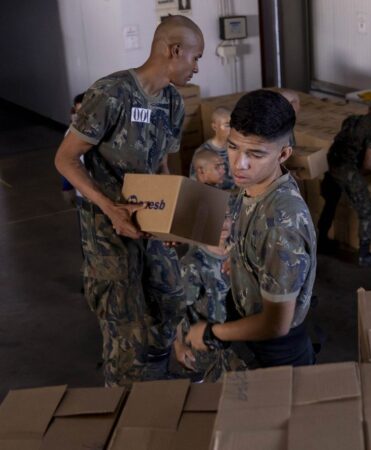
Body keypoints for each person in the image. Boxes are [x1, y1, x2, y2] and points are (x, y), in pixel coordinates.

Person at [54, 15, 204, 387]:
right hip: (107, 228)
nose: (197, 67)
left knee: (170, 299)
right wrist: (110, 208)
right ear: (174, 51)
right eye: (195, 57)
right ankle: (123, 397)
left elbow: (163, 165)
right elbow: (65, 159)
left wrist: (171, 217)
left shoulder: (172, 101)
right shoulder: (111, 93)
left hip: (149, 223)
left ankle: (157, 374)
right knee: (125, 319)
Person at [185, 90, 317, 368]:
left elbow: (276, 324)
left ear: (283, 154)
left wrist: (210, 333)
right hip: (247, 334)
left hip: (274, 354)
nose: (239, 164)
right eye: (233, 147)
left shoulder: (282, 222)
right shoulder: (254, 186)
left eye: (255, 154)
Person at [173, 154, 243, 382]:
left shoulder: (238, 254)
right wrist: (178, 345)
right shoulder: (193, 266)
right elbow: (178, 311)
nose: (223, 224)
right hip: (206, 350)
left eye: (227, 218)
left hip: (237, 344)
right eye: (217, 219)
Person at [316, 99, 371, 266]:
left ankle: (321, 241)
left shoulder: (352, 120)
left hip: (331, 166)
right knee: (366, 211)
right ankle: (364, 255)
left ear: (370, 109)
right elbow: (368, 163)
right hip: (347, 170)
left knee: (330, 202)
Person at [189, 106, 234, 190]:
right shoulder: (202, 152)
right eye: (227, 125)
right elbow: (195, 183)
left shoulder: (236, 148)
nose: (232, 129)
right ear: (214, 127)